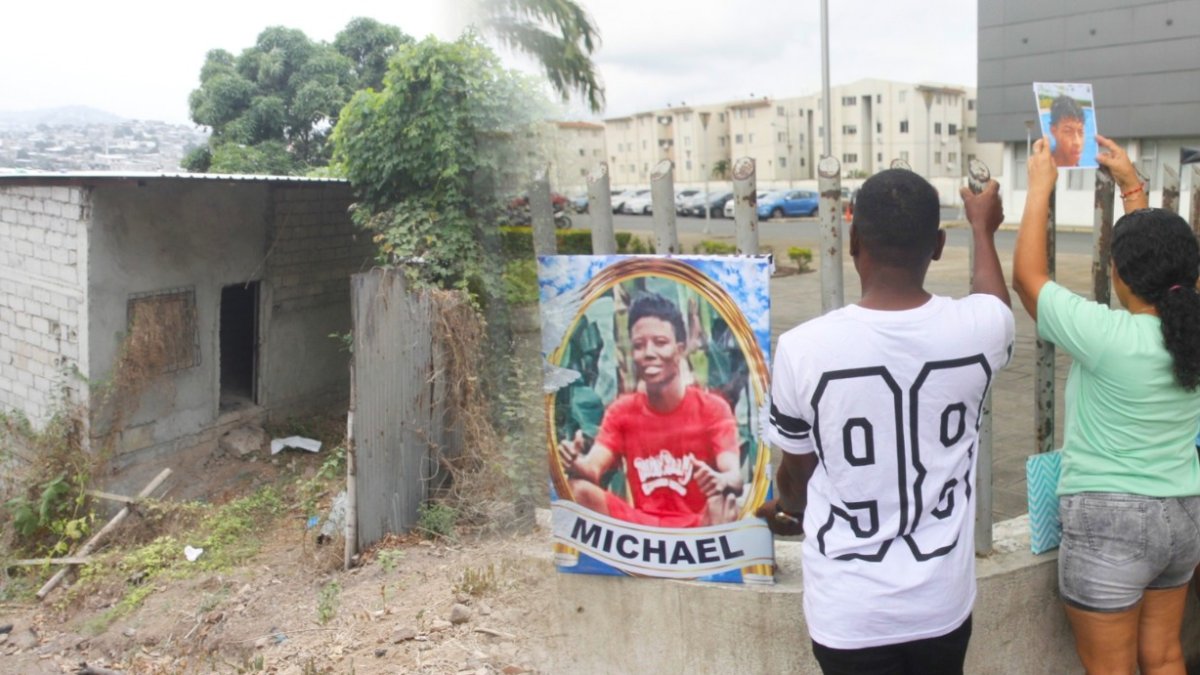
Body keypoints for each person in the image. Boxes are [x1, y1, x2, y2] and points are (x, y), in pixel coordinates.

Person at [757, 169, 1014, 674]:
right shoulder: (982, 331)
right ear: (937, 246)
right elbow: (992, 301)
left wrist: (786, 506)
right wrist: (982, 229)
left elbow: (798, 479)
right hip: (941, 606)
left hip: (848, 613)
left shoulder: (802, 349)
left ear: (853, 240)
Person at [1013, 134, 1200, 674]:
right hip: (1184, 514)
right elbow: (1156, 264)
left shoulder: (1108, 337)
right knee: (1165, 657)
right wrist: (1131, 188)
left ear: (1117, 273)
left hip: (1111, 522)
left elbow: (1027, 280)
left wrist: (1040, 187)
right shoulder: (1191, 332)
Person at [558, 292, 744, 528]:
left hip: (698, 526)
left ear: (680, 349)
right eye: (639, 346)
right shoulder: (622, 411)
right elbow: (593, 469)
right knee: (577, 490)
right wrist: (575, 462)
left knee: (724, 504)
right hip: (642, 527)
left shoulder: (713, 409)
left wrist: (721, 480)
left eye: (660, 342)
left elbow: (734, 476)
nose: (648, 353)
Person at [1048, 94, 1086, 167]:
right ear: (1053, 131)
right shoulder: (1042, 167)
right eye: (1068, 132)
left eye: (1081, 132)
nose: (1077, 142)